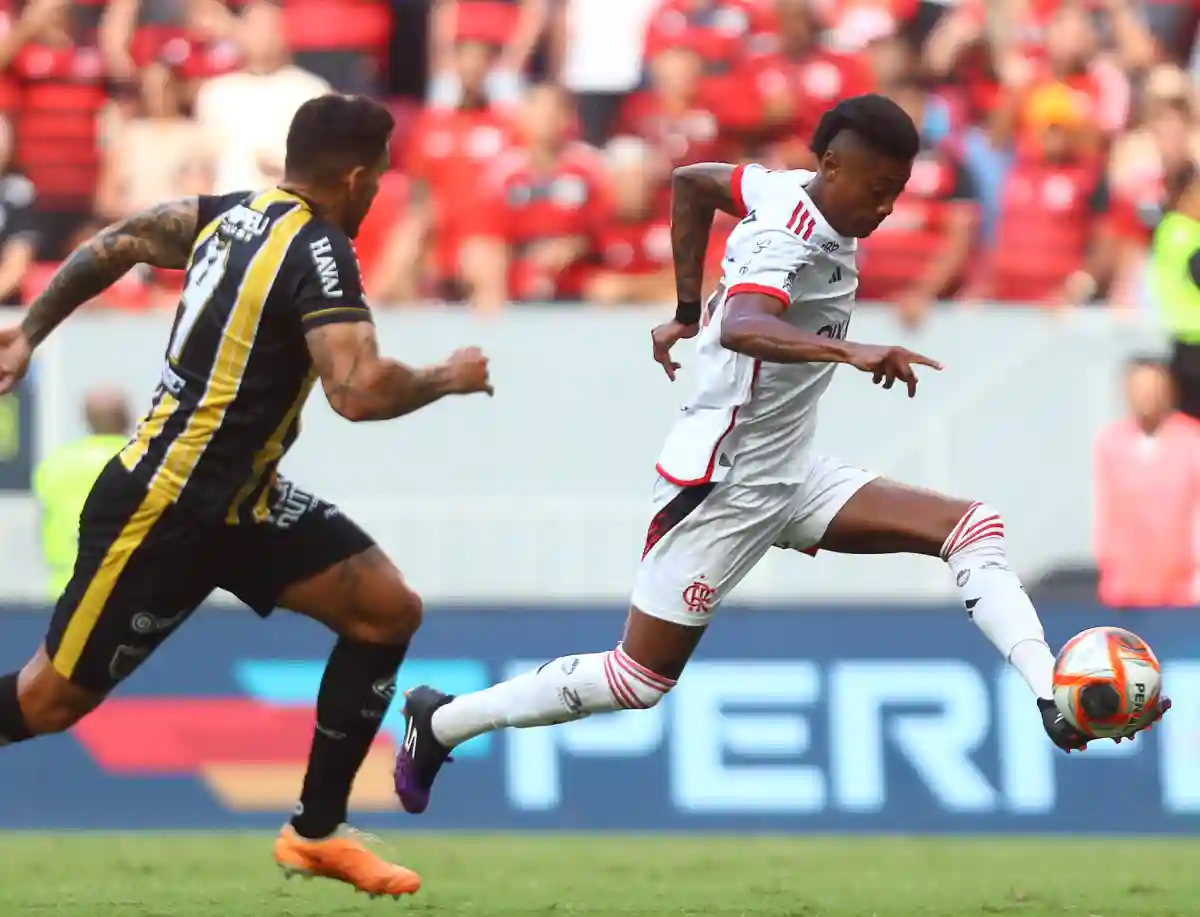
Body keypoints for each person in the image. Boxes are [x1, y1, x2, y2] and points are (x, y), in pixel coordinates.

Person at [394, 94, 1171, 817]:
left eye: (898, 189)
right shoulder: (783, 232)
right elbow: (741, 324)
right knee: (637, 681)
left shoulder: (778, 190)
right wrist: (847, 349)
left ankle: (1049, 695)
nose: (888, 205)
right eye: (877, 187)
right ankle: (443, 720)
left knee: (972, 526)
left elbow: (694, 183)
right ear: (832, 168)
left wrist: (678, 308)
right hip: (725, 484)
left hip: (790, 469)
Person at [0, 93, 493, 896]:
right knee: (47, 701)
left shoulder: (229, 214)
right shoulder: (323, 249)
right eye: (378, 183)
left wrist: (29, 330)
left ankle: (318, 830)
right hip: (163, 507)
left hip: (245, 501)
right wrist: (448, 377)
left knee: (386, 610)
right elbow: (358, 391)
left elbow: (120, 240)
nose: (377, 197)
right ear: (358, 177)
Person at [1094, 357, 1200, 608]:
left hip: (1182, 588)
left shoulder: (1192, 440)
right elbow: (1106, 509)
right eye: (1139, 389)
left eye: (1153, 388)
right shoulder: (1111, 441)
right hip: (1126, 588)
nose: (1146, 397)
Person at [33, 386, 132, 597]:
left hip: (63, 587)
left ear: (87, 419)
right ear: (126, 417)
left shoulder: (55, 464)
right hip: (126, 588)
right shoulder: (140, 460)